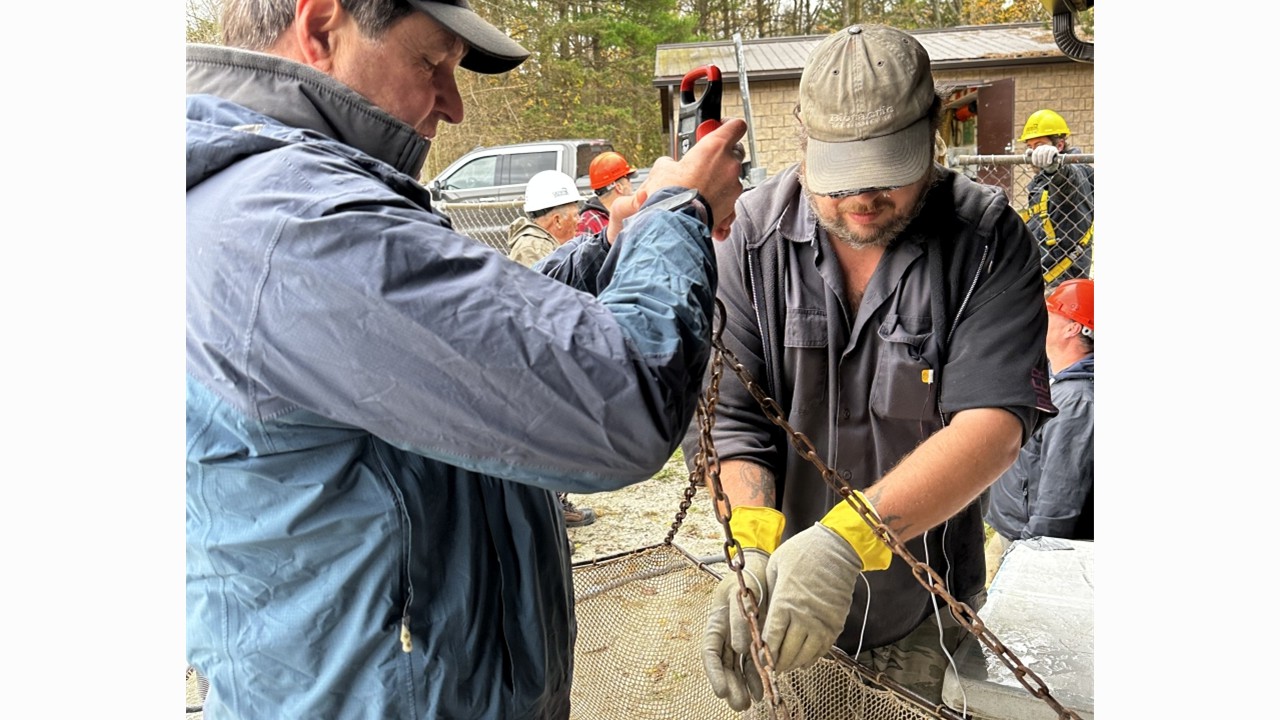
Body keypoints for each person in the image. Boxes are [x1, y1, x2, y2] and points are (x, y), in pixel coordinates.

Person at [185, 0, 749, 717]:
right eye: (432, 63)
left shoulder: (271, 205)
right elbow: (623, 400)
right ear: (323, 25)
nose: (452, 105)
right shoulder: (297, 225)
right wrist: (677, 213)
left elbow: (466, 347)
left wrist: (611, 248)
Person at [694, 24, 1057, 712]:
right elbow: (729, 418)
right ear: (802, 143)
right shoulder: (748, 240)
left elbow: (994, 424)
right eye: (839, 180)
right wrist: (751, 546)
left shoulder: (985, 240)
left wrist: (846, 542)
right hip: (781, 607)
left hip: (922, 612)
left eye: (888, 172)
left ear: (934, 133)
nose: (861, 199)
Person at [506, 170, 599, 528]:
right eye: (574, 213)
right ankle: (553, 508)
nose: (578, 220)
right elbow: (539, 306)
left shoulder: (544, 242)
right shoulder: (532, 247)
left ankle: (556, 504)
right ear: (556, 217)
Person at [984, 279, 1094, 578]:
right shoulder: (1051, 378)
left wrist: (1029, 559)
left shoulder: (1076, 402)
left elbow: (1061, 497)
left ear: (1073, 328)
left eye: (1048, 311)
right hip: (1013, 531)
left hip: (1027, 544)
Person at [1019, 109, 1095, 289]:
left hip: (1064, 279)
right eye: (1030, 147)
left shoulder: (1075, 172)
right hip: (1046, 274)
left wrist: (1056, 168)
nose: (1033, 153)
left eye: (1039, 145)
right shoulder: (1041, 180)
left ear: (1059, 146)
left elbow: (1067, 183)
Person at [507, 169, 584, 268]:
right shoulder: (534, 249)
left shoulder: (546, 247)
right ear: (557, 221)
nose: (580, 220)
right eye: (575, 215)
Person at [577, 151, 638, 235]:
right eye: (628, 180)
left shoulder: (627, 215)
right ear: (619, 187)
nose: (630, 185)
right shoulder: (589, 222)